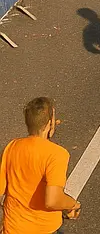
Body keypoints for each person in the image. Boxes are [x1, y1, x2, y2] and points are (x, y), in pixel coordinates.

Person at [0, 97, 81, 230]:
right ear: (49, 124)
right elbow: (52, 201)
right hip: (43, 228)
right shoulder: (56, 154)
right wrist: (73, 205)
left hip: (13, 227)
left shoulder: (11, 147)